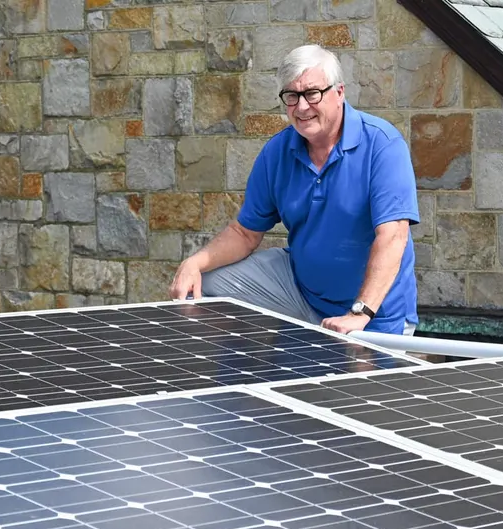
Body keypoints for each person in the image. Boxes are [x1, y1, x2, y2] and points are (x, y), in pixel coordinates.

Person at [168, 44, 420, 336]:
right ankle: (239, 373)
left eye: (312, 93)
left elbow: (393, 237)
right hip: (301, 293)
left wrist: (359, 312)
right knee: (207, 283)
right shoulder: (277, 151)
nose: (301, 107)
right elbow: (245, 233)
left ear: (339, 93)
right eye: (292, 96)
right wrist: (193, 263)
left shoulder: (383, 145)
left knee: (354, 382)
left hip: (374, 316)